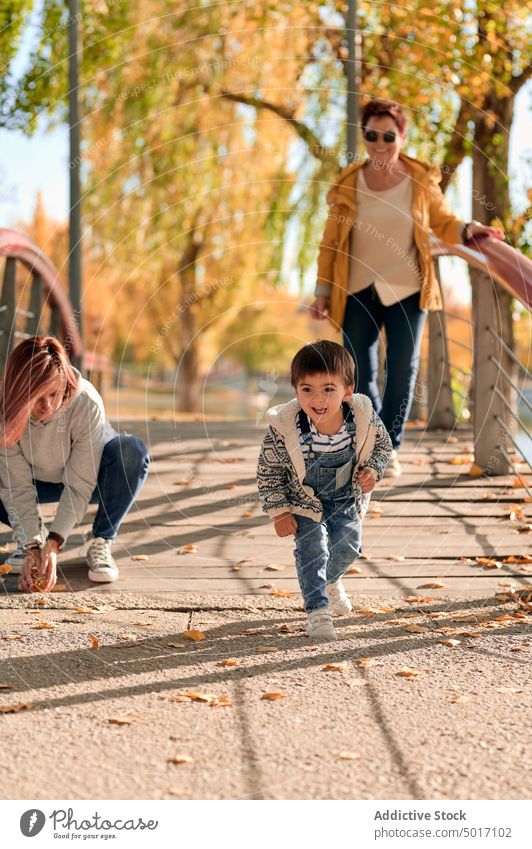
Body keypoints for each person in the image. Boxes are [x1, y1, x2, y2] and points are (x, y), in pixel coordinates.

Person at [310, 98, 504, 476]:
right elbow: (330, 242)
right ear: (363, 136)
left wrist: (468, 230)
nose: (380, 144)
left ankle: (387, 447)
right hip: (356, 288)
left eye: (388, 136)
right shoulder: (347, 182)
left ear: (401, 136)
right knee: (356, 373)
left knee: (402, 369)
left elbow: (443, 221)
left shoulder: (420, 180)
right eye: (371, 135)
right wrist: (321, 290)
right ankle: (370, 442)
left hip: (408, 289)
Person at [257, 340, 392, 641]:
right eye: (307, 390)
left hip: (346, 497)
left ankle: (330, 582)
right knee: (312, 549)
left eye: (328, 389)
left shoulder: (362, 420)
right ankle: (317, 611)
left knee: (349, 547)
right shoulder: (285, 429)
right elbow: (268, 471)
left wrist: (373, 469)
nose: (318, 399)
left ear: (347, 390)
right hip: (304, 500)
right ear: (296, 390)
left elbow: (382, 447)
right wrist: (279, 512)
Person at [0, 336, 150, 592]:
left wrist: (55, 542)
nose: (46, 405)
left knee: (131, 452)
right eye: (35, 397)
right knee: (21, 516)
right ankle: (26, 537)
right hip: (37, 481)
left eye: (53, 393)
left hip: (92, 479)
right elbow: (15, 487)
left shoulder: (85, 402)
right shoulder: (5, 408)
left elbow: (80, 483)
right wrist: (33, 545)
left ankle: (101, 539)